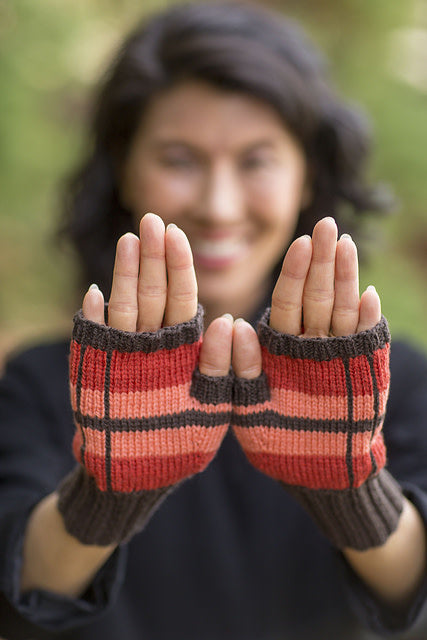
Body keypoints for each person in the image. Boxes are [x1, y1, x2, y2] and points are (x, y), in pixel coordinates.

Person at [0, 2, 426, 638]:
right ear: (123, 171)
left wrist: (351, 496)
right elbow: (25, 585)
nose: (218, 204)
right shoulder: (43, 379)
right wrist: (106, 498)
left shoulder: (395, 380)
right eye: (179, 158)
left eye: (256, 160)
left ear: (308, 176)